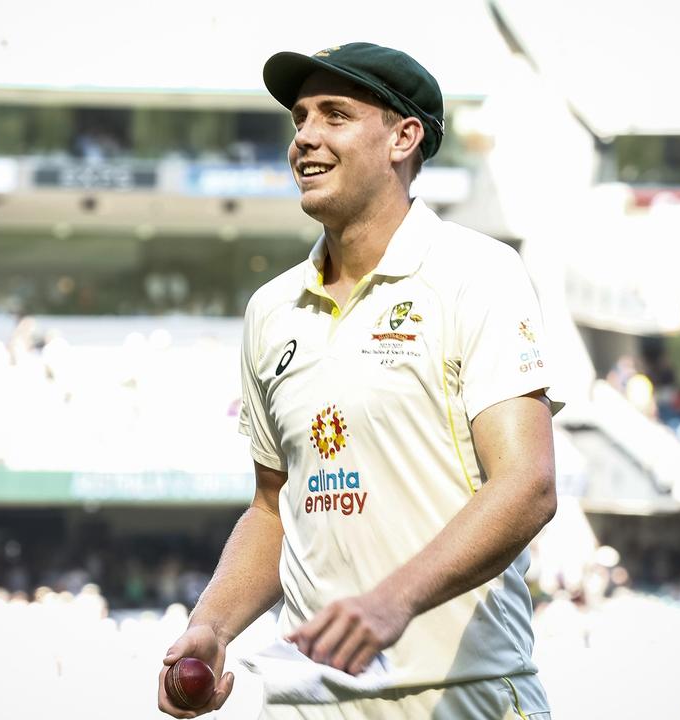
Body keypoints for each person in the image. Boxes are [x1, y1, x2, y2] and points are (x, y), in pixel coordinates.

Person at [159, 42, 560, 719]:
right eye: (299, 119)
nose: (306, 138)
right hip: (306, 704)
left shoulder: (477, 273)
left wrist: (390, 600)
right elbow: (272, 508)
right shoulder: (271, 310)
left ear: (404, 137)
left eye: (335, 115)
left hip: (464, 698)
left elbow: (528, 487)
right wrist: (215, 624)